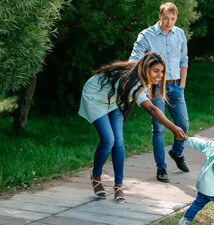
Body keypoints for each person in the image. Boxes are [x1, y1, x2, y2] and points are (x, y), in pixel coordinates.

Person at [78, 52, 186, 204]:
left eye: (162, 71)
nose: (160, 75)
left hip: (115, 98)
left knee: (119, 141)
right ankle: (96, 176)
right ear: (146, 68)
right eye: (156, 71)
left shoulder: (141, 77)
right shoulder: (133, 82)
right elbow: (152, 109)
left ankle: (118, 186)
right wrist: (173, 128)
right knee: (108, 140)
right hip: (95, 96)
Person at [129, 2, 190, 183]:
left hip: (176, 86)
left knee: (183, 124)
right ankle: (161, 168)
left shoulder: (179, 34)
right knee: (159, 128)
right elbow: (133, 60)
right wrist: (144, 83)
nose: (169, 22)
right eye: (166, 18)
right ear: (159, 17)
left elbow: (184, 60)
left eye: (173, 19)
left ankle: (177, 153)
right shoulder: (146, 36)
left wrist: (182, 86)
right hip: (155, 87)